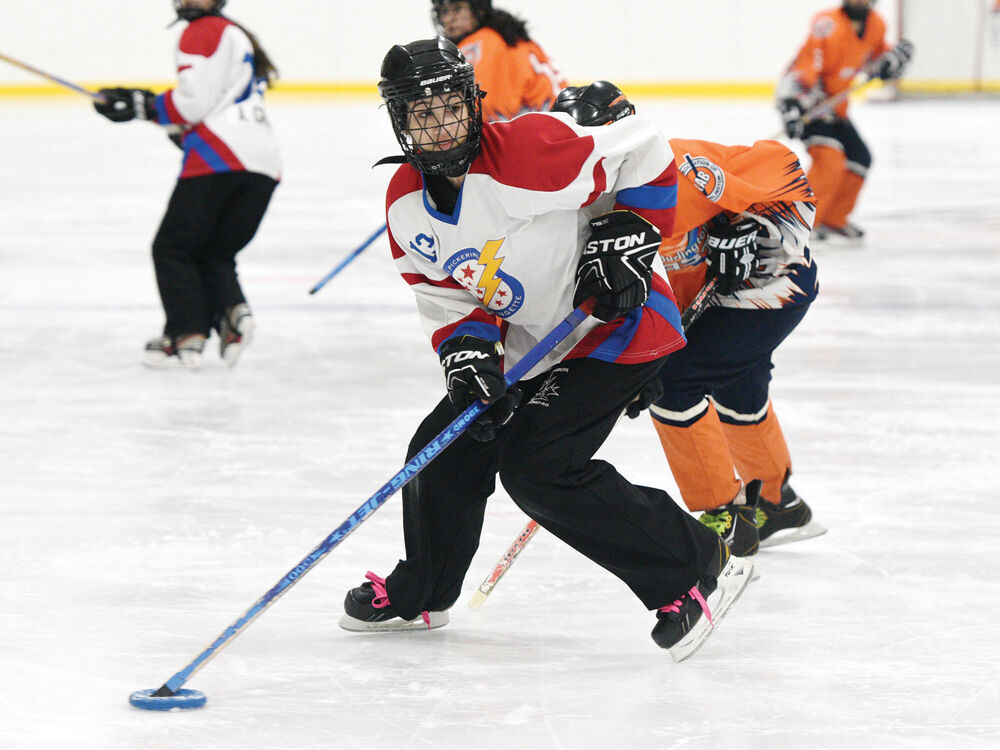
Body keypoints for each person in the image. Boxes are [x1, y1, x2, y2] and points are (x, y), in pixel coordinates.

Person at [338, 38, 755, 661]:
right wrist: (468, 351)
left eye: (451, 105)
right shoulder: (405, 203)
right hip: (531, 341)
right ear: (400, 122)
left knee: (539, 469)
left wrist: (634, 229)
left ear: (474, 105)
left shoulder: (532, 152)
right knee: (443, 444)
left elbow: (643, 144)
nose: (440, 123)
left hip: (616, 328)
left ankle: (692, 566)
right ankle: (423, 590)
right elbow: (445, 293)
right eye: (422, 113)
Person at [553, 82, 827, 555]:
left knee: (679, 385)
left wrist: (747, 227)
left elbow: (779, 165)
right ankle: (779, 504)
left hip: (773, 282)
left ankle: (728, 514)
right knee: (736, 388)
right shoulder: (583, 211)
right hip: (714, 299)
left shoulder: (682, 168)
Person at [93, 0, 280, 369]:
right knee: (212, 252)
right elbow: (209, 107)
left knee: (172, 247)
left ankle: (185, 337)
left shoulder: (203, 29)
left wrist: (140, 104)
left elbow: (192, 103)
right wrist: (149, 110)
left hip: (220, 157)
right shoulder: (235, 35)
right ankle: (234, 317)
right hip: (263, 162)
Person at [776, 0, 913, 242]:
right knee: (830, 161)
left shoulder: (876, 25)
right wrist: (791, 104)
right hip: (810, 104)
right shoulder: (826, 24)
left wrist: (892, 63)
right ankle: (800, 222)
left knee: (859, 158)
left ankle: (832, 219)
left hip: (837, 108)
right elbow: (805, 64)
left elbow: (876, 65)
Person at [431, 0, 567, 123]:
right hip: (563, 117)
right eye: (444, 12)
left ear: (478, 9)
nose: (449, 19)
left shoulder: (481, 42)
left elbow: (479, 107)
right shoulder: (507, 34)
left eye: (457, 9)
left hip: (542, 125)